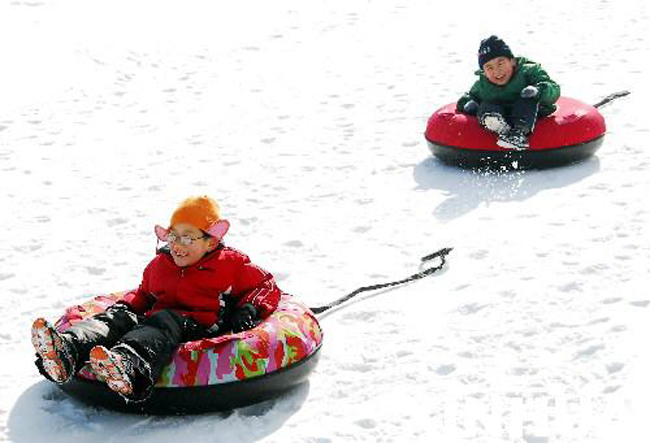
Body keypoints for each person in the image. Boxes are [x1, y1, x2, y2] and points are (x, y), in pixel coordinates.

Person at [31, 195, 281, 402]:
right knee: (120, 317)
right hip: (157, 322)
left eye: (187, 237)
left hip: (201, 324)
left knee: (164, 318)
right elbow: (144, 294)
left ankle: (131, 366)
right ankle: (67, 350)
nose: (177, 244)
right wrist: (125, 309)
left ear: (210, 241)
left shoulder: (230, 264)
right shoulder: (161, 264)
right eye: (173, 236)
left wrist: (249, 309)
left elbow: (265, 284)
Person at [456, 35, 561, 150]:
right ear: (484, 72)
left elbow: (554, 89)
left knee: (527, 95)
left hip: (533, 114)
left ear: (512, 61)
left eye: (500, 63)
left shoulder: (528, 72)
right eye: (489, 68)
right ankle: (499, 126)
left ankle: (518, 134)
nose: (497, 71)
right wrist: (468, 103)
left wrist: (538, 91)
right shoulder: (482, 86)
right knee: (485, 106)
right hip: (503, 115)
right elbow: (466, 98)